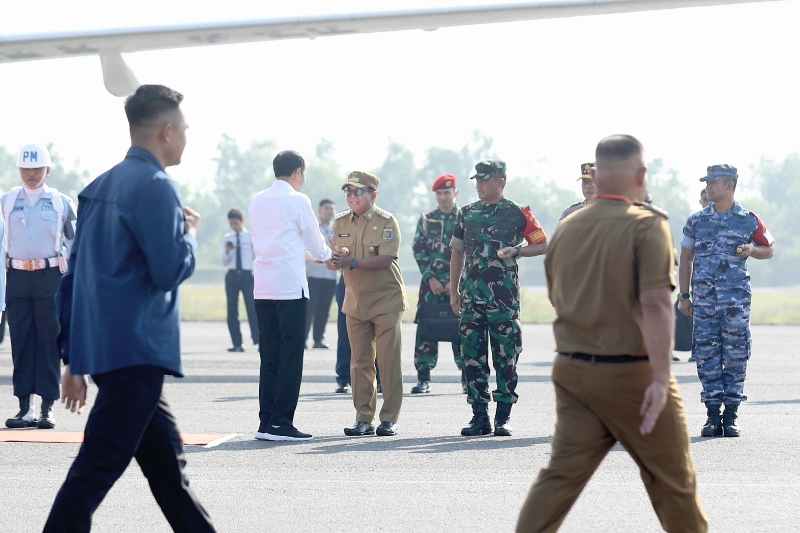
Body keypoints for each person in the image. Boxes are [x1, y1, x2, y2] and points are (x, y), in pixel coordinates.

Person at [45, 84, 216, 532]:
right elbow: (168, 269)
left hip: (110, 353)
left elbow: (73, 279)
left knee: (168, 476)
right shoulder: (157, 187)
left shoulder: (99, 187)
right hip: (136, 353)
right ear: (165, 132)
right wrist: (189, 235)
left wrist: (73, 358)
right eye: (184, 129)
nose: (186, 137)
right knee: (91, 475)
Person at [516, 134, 707, 533]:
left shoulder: (567, 228)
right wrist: (659, 377)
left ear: (597, 176)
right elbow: (655, 304)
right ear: (640, 175)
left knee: (559, 480)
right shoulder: (647, 225)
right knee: (674, 485)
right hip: (631, 375)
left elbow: (559, 295)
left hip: (573, 371)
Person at [449, 160, 548, 437]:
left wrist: (517, 251)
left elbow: (542, 244)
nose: (480, 185)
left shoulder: (517, 213)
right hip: (471, 298)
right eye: (477, 181)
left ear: (501, 181)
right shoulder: (467, 213)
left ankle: (503, 417)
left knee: (506, 358)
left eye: (485, 180)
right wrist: (453, 290)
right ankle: (479, 416)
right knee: (472, 358)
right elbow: (456, 252)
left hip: (503, 300)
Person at [679, 164, 774, 438]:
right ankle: (711, 416)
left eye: (714, 182)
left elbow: (769, 248)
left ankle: (731, 415)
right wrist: (684, 296)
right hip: (705, 302)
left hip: (735, 303)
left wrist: (752, 250)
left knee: (735, 355)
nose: (709, 187)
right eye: (707, 182)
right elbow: (686, 258)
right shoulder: (696, 221)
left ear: (730, 185)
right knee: (707, 356)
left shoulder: (749, 219)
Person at [249, 150, 331, 442]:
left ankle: (266, 421)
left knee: (269, 354)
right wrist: (329, 255)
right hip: (290, 287)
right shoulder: (299, 200)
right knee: (291, 355)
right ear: (297, 172)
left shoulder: (257, 200)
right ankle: (282, 422)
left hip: (263, 285)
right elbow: (314, 240)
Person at [3, 143, 76, 430]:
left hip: (49, 277)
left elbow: (74, 241)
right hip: (17, 277)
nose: (31, 174)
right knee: (21, 342)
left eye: (37, 169)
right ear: (19, 169)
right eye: (26, 169)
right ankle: (24, 407)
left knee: (48, 342)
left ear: (47, 170)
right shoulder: (7, 200)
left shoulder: (60, 202)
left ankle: (47, 407)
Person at [330, 171, 405, 437]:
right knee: (359, 362)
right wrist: (332, 261)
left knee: (387, 362)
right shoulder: (340, 223)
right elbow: (334, 257)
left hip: (385, 300)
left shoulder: (386, 221)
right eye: (348, 192)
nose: (351, 197)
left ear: (373, 194)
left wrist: (353, 262)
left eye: (357, 192)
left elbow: (386, 259)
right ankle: (363, 417)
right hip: (356, 301)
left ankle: (389, 419)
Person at [410, 173, 463, 394]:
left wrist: (455, 281)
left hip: (457, 285)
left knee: (463, 330)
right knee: (426, 330)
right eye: (439, 193)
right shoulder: (426, 219)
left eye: (447, 193)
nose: (443, 197)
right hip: (430, 285)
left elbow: (469, 251)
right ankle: (423, 378)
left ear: (455, 193)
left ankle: (468, 379)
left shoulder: (465, 217)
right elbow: (418, 249)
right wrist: (430, 276)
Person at [222, 208, 258, 352]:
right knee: (232, 310)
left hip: (247, 275)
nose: (234, 226)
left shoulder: (250, 237)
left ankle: (258, 341)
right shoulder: (227, 238)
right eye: (231, 224)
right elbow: (224, 262)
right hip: (231, 276)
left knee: (252, 308)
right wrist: (228, 251)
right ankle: (237, 343)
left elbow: (257, 256)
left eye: (236, 223)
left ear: (242, 221)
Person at [305, 198, 338, 349]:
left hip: (330, 276)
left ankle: (318, 339)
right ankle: (302, 338)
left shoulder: (336, 231)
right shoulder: (313, 229)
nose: (329, 212)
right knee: (308, 309)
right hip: (313, 275)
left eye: (332, 209)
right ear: (319, 211)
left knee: (324, 309)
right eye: (326, 208)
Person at [687, 189, 708, 364]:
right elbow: (686, 256)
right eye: (704, 200)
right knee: (700, 318)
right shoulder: (696, 221)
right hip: (701, 282)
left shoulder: (739, 218)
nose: (707, 202)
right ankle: (698, 350)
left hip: (729, 288)